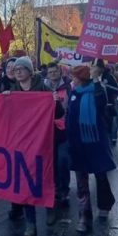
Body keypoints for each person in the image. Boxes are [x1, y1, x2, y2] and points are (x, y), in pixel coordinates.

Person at [4, 56, 64, 236]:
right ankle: (31, 224)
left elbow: (59, 114)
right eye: (16, 69)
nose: (18, 71)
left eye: (22, 68)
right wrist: (3, 101)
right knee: (25, 182)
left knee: (45, 177)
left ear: (30, 71)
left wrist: (55, 102)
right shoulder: (12, 92)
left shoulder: (44, 89)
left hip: (44, 141)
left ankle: (51, 205)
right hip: (23, 143)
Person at [67, 65, 116, 233]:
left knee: (100, 175)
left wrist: (96, 79)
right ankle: (84, 217)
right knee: (81, 182)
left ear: (81, 78)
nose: (72, 80)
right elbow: (69, 115)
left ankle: (105, 204)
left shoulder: (96, 90)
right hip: (78, 144)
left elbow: (102, 102)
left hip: (94, 142)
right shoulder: (74, 93)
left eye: (74, 77)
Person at [44, 62, 72, 210]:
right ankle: (54, 189)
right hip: (47, 131)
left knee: (62, 161)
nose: (53, 74)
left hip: (63, 130)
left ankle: (64, 190)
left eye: (55, 72)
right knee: (51, 162)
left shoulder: (67, 87)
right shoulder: (43, 87)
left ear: (60, 73)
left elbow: (71, 107)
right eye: (50, 72)